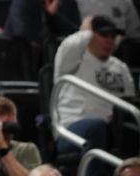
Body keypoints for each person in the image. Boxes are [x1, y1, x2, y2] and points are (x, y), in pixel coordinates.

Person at [54, 16, 134, 176]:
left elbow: (130, 103)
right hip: (72, 129)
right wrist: (86, 30)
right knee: (97, 127)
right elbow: (70, 44)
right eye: (104, 35)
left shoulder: (120, 67)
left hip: (112, 129)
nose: (110, 41)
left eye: (113, 36)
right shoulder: (73, 59)